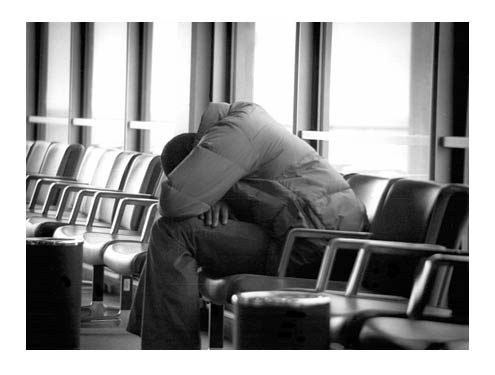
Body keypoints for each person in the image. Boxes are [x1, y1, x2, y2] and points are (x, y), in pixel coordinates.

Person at [127, 101, 368, 349]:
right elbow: (274, 199)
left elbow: (174, 202)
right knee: (177, 231)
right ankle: (162, 341)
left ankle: (168, 349)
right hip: (304, 238)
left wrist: (211, 198)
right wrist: (218, 199)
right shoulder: (241, 126)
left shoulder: (232, 134)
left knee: (173, 232)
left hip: (316, 249)